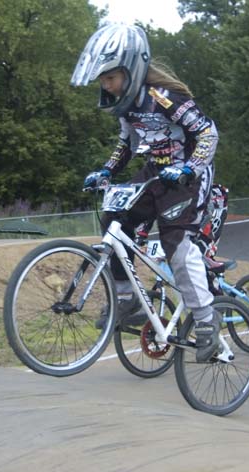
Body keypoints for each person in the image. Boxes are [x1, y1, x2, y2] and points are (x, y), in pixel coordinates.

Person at [71, 23, 221, 362]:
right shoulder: (126, 105)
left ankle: (206, 318)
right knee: (114, 217)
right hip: (155, 172)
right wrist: (107, 171)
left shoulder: (165, 98)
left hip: (188, 176)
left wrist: (189, 168)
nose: (106, 85)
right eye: (102, 80)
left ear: (131, 70)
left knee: (176, 246)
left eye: (110, 77)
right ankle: (127, 300)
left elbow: (208, 133)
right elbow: (127, 143)